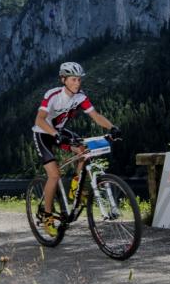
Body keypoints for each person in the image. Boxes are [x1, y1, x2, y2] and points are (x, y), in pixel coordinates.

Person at [32, 62, 120, 236]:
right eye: (73, 79)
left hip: (59, 132)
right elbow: (39, 120)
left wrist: (112, 128)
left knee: (83, 150)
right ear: (63, 79)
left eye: (79, 79)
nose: (77, 83)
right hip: (43, 133)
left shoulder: (80, 97)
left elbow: (96, 116)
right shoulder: (53, 95)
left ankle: (75, 185)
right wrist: (55, 134)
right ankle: (48, 216)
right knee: (54, 175)